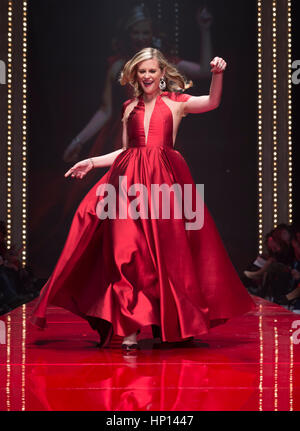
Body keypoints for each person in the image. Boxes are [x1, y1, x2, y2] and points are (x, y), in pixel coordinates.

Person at [29, 47, 256, 351]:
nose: (147, 76)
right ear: (135, 75)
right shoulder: (128, 107)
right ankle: (130, 327)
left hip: (165, 184)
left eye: (152, 70)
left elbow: (212, 102)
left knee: (165, 257)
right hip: (128, 185)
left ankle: (171, 322)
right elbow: (126, 151)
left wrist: (217, 74)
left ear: (163, 73)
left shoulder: (177, 104)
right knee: (126, 255)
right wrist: (93, 162)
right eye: (142, 71)